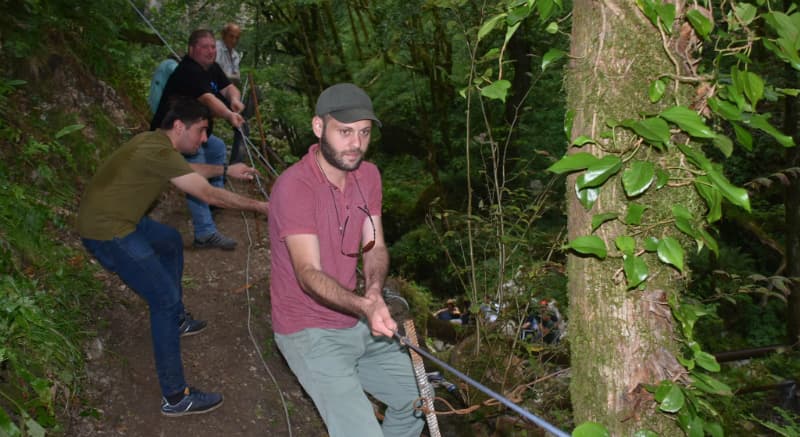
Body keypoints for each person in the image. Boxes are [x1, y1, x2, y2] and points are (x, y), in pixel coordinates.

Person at [78, 98, 269, 416]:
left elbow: (188, 171)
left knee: (168, 241)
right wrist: (262, 207)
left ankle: (176, 320)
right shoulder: (155, 149)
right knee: (163, 301)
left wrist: (226, 170)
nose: (205, 138)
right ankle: (176, 397)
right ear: (179, 126)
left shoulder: (155, 143)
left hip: (116, 216)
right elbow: (206, 193)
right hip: (107, 230)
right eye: (202, 130)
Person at [268, 83, 424, 436]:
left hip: (354, 319)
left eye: (364, 133)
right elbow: (307, 273)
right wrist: (364, 307)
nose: (356, 144)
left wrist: (373, 293)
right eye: (345, 132)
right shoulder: (295, 187)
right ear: (319, 127)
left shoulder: (367, 176)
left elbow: (375, 245)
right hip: (307, 329)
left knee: (416, 400)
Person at [151, 29, 246, 250]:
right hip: (173, 133)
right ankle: (204, 232)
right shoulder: (189, 70)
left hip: (194, 131)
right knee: (199, 162)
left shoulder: (211, 68)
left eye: (213, 46)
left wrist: (235, 100)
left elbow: (229, 87)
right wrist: (230, 115)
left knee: (217, 147)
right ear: (192, 49)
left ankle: (214, 199)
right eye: (205, 47)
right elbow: (209, 99)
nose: (210, 51)